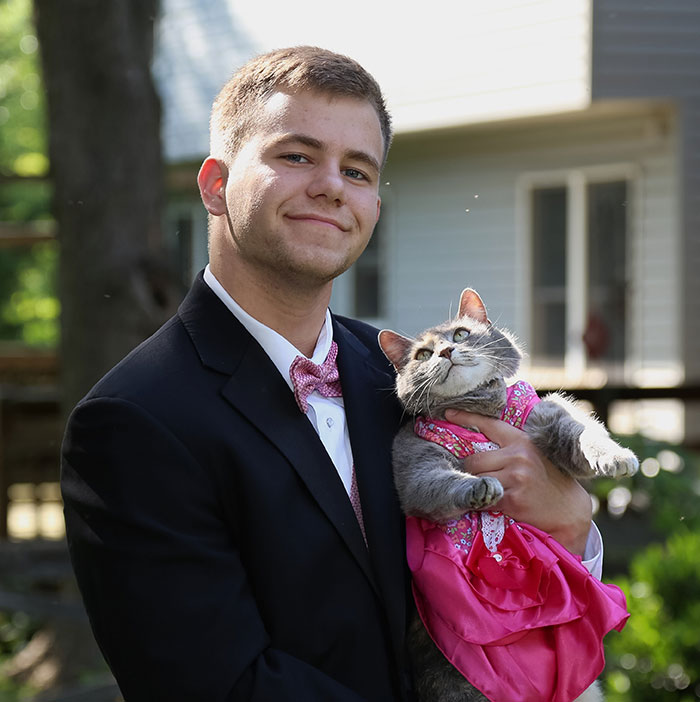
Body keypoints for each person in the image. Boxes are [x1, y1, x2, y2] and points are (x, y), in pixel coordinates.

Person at [61, 46, 600, 701]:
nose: (331, 186)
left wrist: (570, 530)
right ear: (214, 185)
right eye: (296, 156)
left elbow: (496, 600)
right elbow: (218, 684)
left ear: (374, 204)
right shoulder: (133, 420)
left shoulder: (408, 380)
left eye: (358, 170)